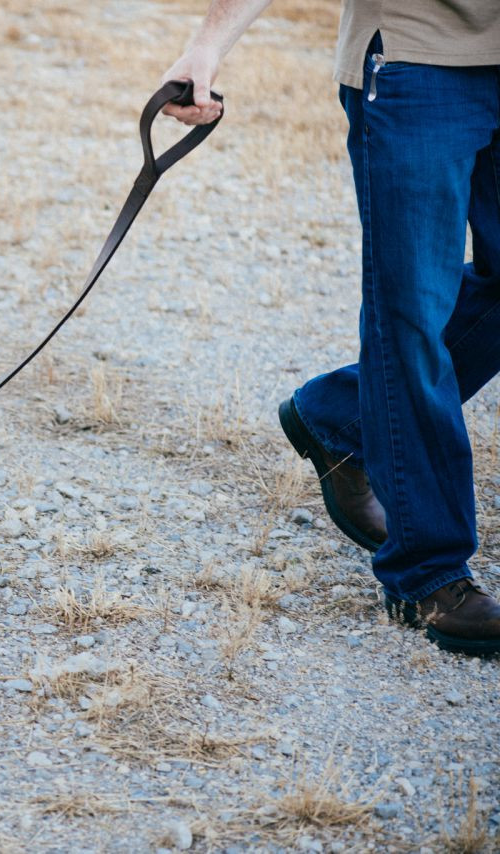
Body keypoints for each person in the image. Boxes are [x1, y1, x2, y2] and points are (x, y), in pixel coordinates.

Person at [161, 1, 500, 655]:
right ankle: (427, 574)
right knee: (412, 318)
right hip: (418, 60)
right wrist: (207, 45)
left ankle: (342, 419)